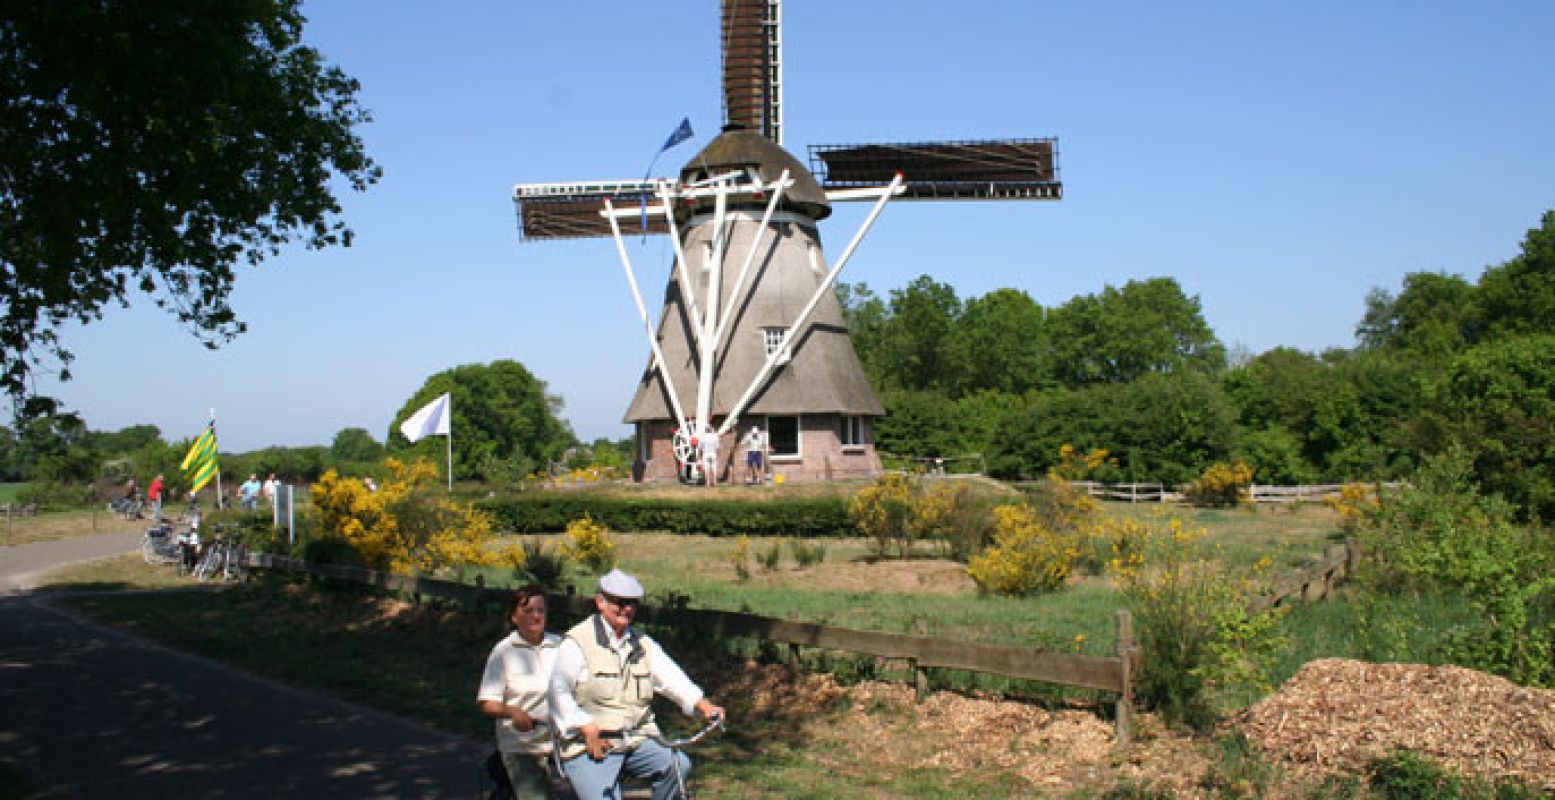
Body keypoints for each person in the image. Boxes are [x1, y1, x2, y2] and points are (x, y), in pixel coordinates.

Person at [548, 569, 724, 800]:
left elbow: (673, 679)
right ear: (600, 602)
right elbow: (557, 694)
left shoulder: (643, 643)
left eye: (632, 603)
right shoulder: (577, 643)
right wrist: (585, 726)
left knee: (678, 766)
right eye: (619, 603)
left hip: (636, 738)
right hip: (589, 744)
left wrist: (704, 705)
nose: (627, 609)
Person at [477, 585, 563, 800]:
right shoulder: (504, 652)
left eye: (541, 611)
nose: (536, 616)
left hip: (560, 739)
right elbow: (487, 702)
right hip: (522, 743)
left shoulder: (560, 646)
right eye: (528, 611)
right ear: (514, 617)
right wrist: (513, 712)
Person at [699, 422, 720, 488]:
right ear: (711, 430)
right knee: (714, 468)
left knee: (707, 468)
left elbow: (700, 448)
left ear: (706, 430)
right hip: (713, 453)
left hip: (706, 453)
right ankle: (715, 482)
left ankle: (707, 483)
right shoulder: (715, 437)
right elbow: (717, 447)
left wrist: (699, 456)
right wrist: (718, 455)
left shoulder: (703, 437)